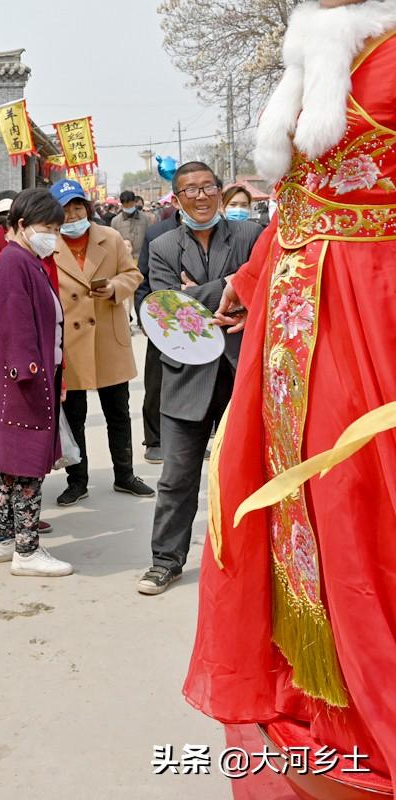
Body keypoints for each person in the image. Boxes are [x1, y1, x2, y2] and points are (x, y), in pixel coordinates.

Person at [187, 2, 396, 786]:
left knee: (360, 501)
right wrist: (248, 279)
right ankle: (327, 697)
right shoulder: (313, 47)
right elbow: (298, 206)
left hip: (371, 309)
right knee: (296, 510)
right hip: (295, 314)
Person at [137, 162, 262, 595]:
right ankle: (165, 561)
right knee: (176, 478)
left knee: (247, 475)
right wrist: (231, 284)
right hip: (185, 375)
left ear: (221, 192)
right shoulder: (163, 245)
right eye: (190, 190)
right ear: (177, 198)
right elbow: (169, 311)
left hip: (241, 370)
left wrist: (199, 295)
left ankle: (249, 564)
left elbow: (263, 288)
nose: (201, 196)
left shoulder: (251, 236)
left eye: (209, 187)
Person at [0, 187, 72, 578]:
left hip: (26, 378)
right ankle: (27, 550)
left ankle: (4, 539)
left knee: (12, 465)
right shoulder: (15, 262)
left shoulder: (23, 258)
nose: (52, 235)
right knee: (28, 465)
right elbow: (16, 326)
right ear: (21, 225)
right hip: (26, 380)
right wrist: (31, 376)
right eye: (47, 227)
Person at [50, 179, 154, 507]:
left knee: (118, 413)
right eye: (65, 209)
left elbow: (133, 274)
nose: (72, 214)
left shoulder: (108, 238)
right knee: (74, 414)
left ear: (87, 208)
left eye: (77, 207)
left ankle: (124, 474)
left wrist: (114, 288)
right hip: (70, 343)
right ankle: (77, 480)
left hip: (108, 336)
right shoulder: (47, 244)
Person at [134, 199, 182, 464]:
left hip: (200, 322)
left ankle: (191, 437)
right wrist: (145, 315)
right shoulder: (157, 233)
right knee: (156, 383)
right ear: (176, 199)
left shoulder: (221, 232)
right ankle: (154, 439)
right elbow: (143, 279)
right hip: (162, 320)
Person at [110, 189, 148, 264]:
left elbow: (150, 237)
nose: (128, 207)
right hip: (124, 260)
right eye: (125, 205)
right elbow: (113, 242)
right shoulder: (115, 221)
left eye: (130, 205)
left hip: (142, 259)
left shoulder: (145, 218)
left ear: (134, 202)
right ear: (122, 204)